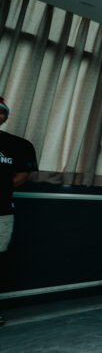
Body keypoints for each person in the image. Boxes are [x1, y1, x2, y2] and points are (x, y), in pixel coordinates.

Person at [0, 97, 38, 326]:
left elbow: (22, 175)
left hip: (2, 211)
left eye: (1, 111)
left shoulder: (19, 145)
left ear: (5, 116)